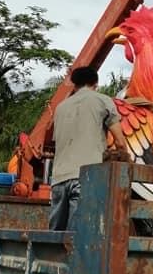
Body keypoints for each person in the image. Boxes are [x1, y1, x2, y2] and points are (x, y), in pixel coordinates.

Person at [49, 65, 130, 230]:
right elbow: (120, 143)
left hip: (58, 180)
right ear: (95, 83)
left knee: (55, 236)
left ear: (74, 84)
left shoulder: (60, 108)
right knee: (79, 235)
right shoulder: (102, 101)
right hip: (86, 177)